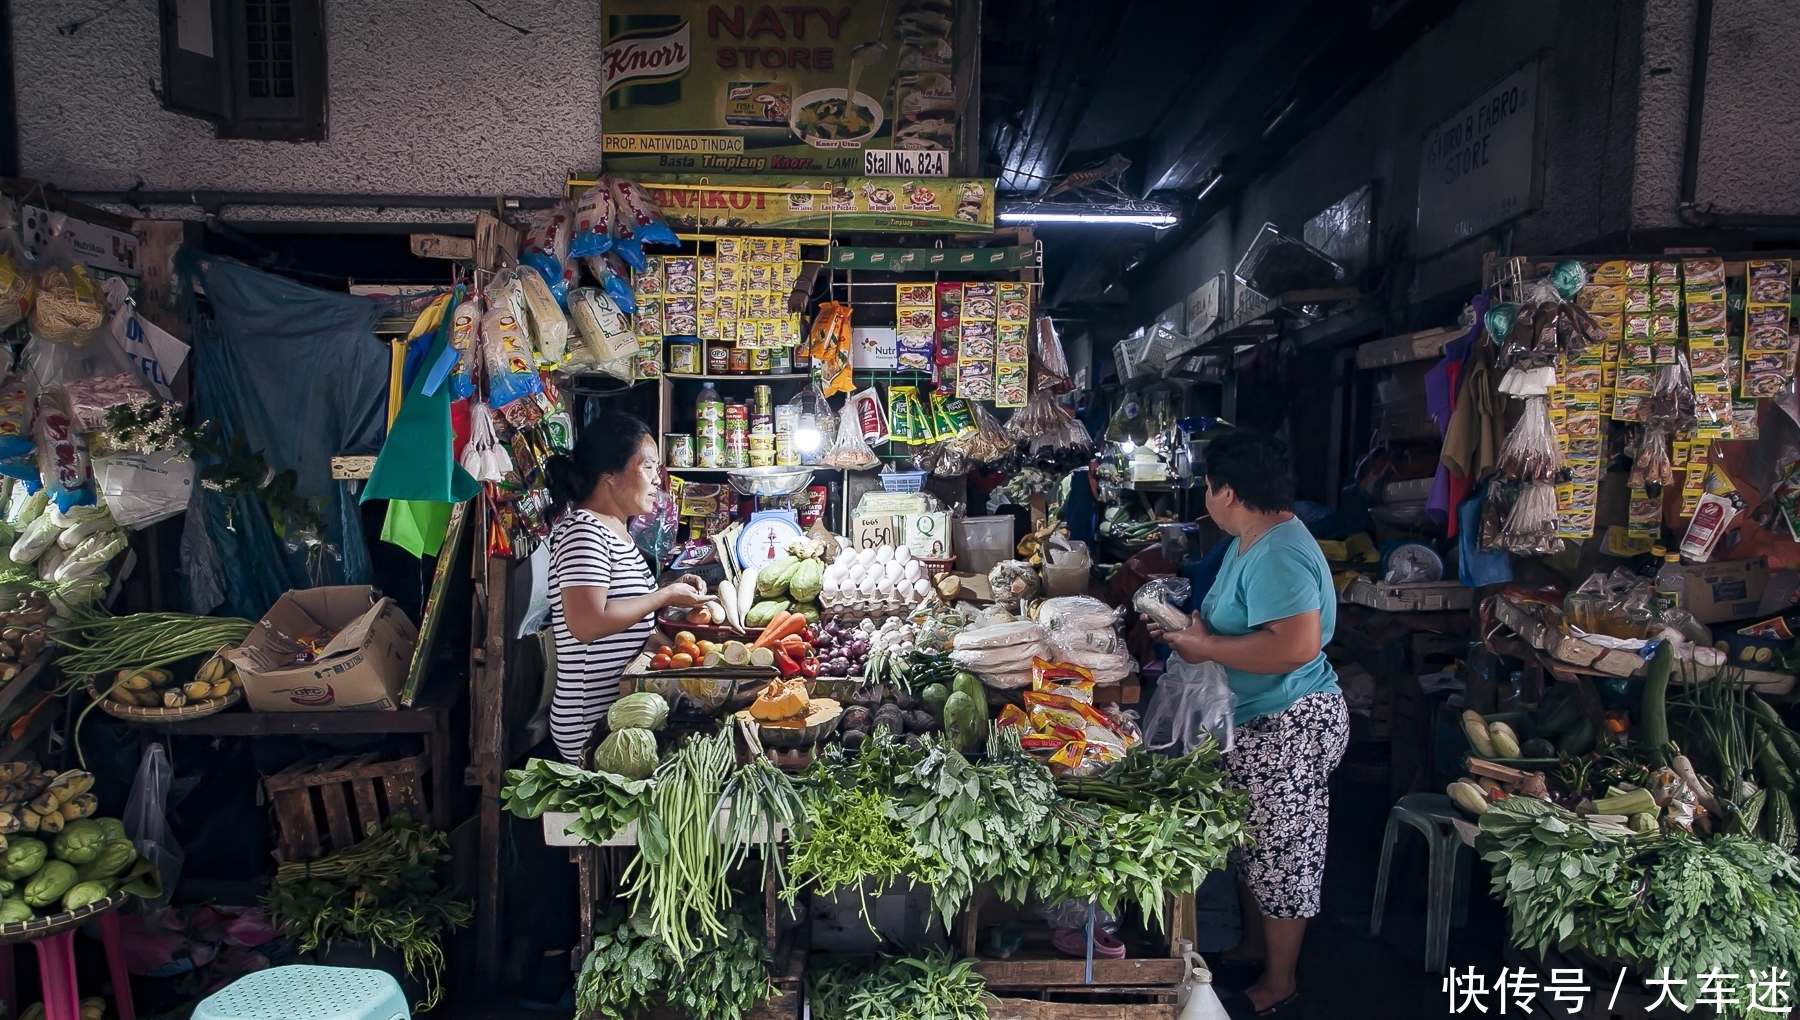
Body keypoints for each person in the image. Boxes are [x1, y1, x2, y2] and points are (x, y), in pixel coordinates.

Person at [1145, 429, 1347, 1020]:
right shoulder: (1249, 539)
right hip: (1254, 720)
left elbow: (1294, 647)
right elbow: (1233, 627)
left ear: (1227, 491)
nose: (1205, 497)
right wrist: (1189, 633)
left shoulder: (1280, 551)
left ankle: (1279, 982)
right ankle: (1253, 947)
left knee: (1284, 852)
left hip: (1290, 720)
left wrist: (1203, 649)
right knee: (1250, 846)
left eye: (1206, 488)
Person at [544, 412, 707, 764]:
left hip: (622, 712)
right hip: (592, 722)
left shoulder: (618, 531)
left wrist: (688, 660)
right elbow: (587, 624)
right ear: (610, 476)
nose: (657, 481)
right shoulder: (584, 531)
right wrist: (664, 596)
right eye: (648, 467)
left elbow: (629, 624)